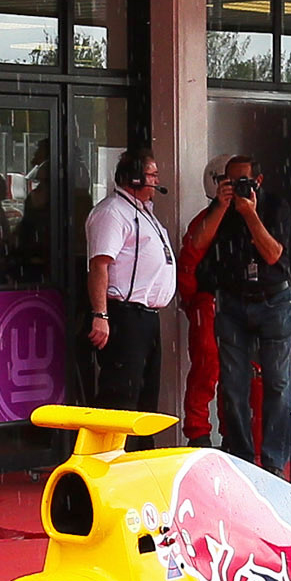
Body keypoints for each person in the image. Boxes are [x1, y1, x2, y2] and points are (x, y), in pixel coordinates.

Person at [193, 152, 291, 466]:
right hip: (233, 301)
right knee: (234, 384)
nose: (236, 187)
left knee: (276, 382)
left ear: (258, 181)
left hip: (272, 300)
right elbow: (198, 243)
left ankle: (274, 459)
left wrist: (250, 214)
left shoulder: (275, 206)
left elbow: (274, 254)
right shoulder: (220, 208)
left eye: (243, 181)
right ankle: (241, 456)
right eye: (230, 181)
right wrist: (222, 206)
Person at [83, 152, 177, 431]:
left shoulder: (141, 210)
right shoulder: (112, 212)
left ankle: (139, 457)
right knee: (121, 394)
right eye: (151, 175)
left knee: (146, 395)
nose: (156, 181)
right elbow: (100, 265)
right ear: (134, 178)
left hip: (146, 317)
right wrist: (101, 315)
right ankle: (110, 459)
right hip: (124, 315)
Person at [173, 157, 225, 443]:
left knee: (244, 376)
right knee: (207, 367)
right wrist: (194, 303)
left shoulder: (254, 219)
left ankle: (237, 437)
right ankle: (198, 433)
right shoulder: (202, 223)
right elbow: (189, 262)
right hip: (210, 304)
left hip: (243, 306)